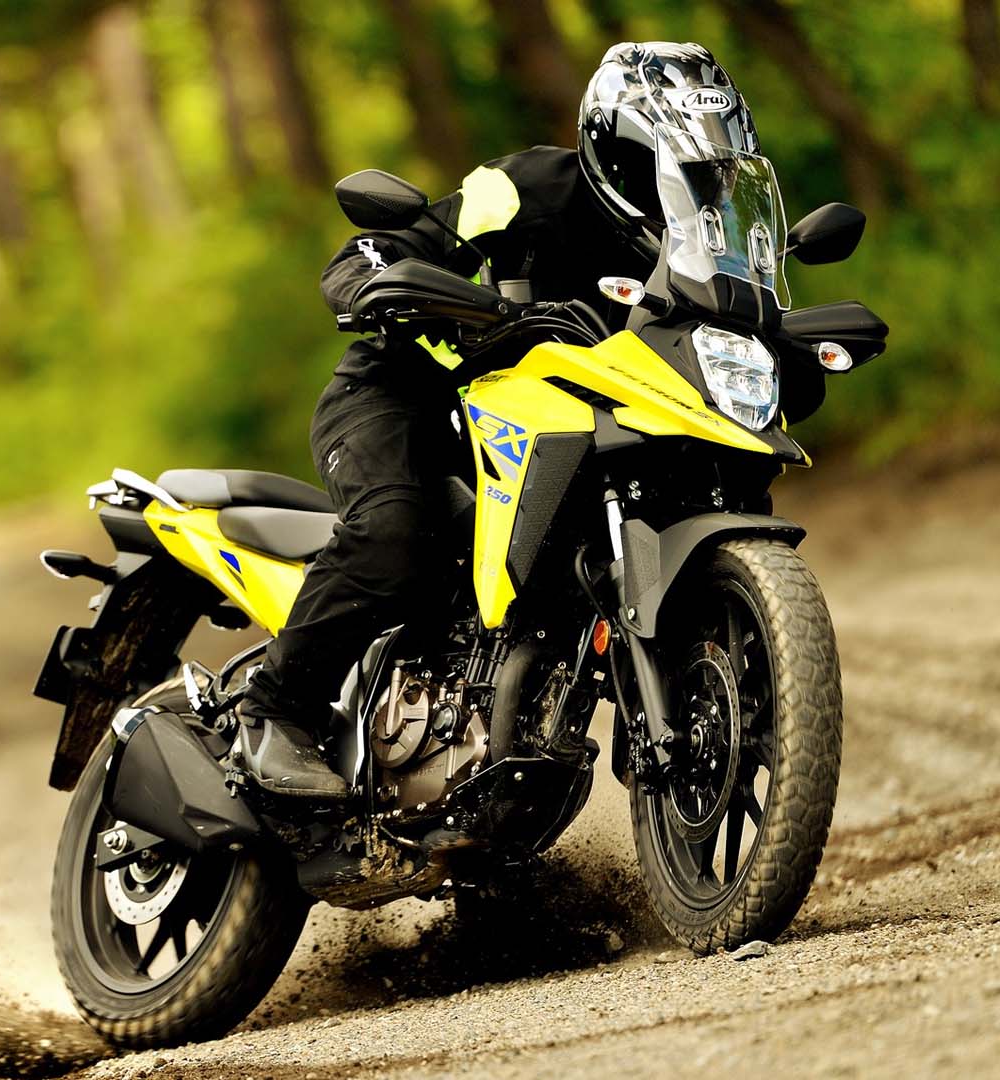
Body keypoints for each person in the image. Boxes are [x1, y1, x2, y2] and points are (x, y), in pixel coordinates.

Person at [235, 41, 763, 797]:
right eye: (673, 160)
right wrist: (377, 276)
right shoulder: (524, 188)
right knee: (395, 530)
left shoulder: (706, 243)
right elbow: (392, 246)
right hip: (413, 396)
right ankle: (274, 712)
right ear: (618, 149)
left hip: (577, 422)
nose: (691, 180)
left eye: (711, 167)